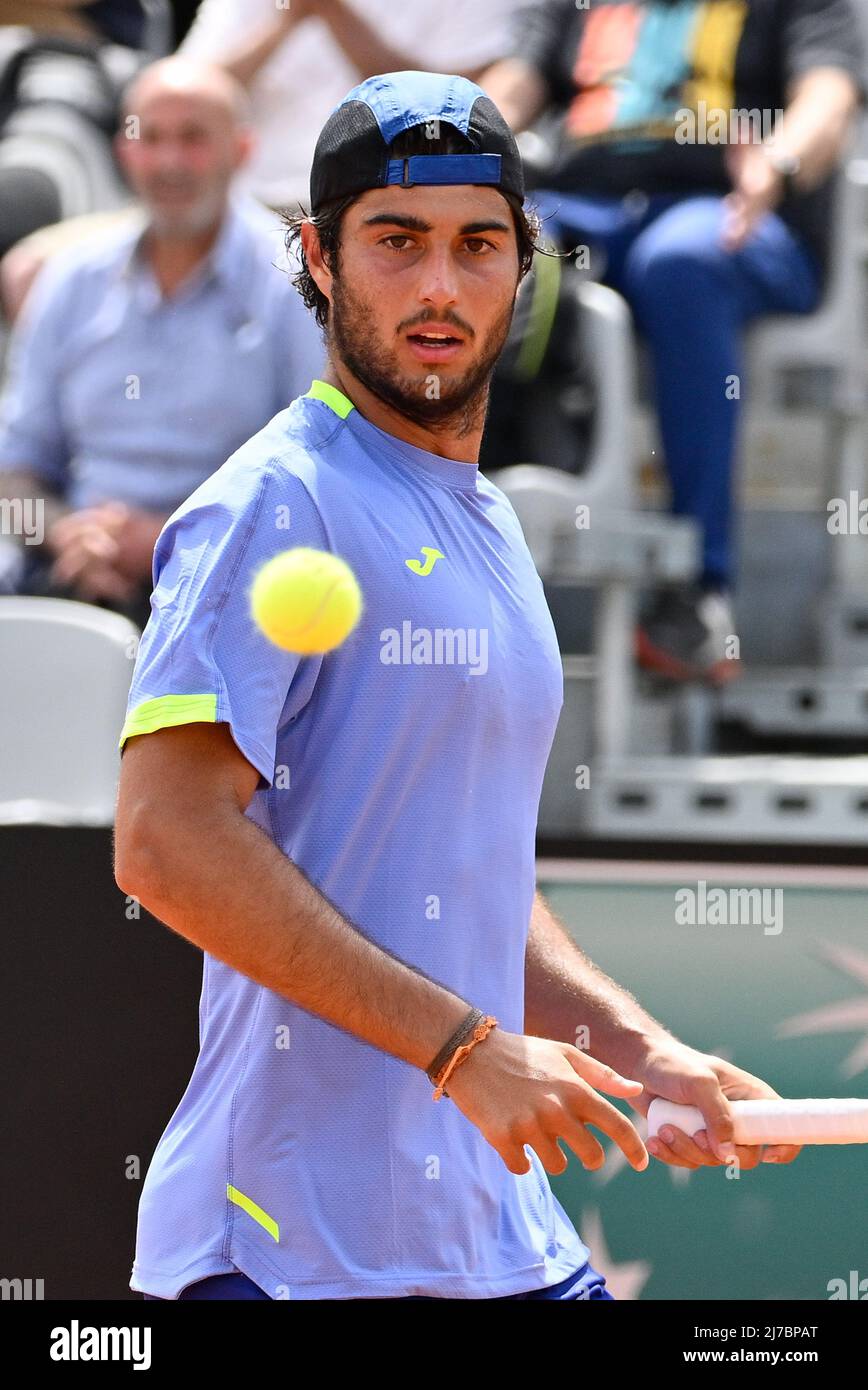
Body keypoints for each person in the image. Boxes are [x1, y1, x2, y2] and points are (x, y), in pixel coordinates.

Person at [114, 71, 800, 1303]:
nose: (438, 286)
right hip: (288, 1253)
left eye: (478, 244)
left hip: (499, 1243)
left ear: (522, 267)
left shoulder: (487, 521)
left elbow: (464, 878)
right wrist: (464, 1049)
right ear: (318, 258)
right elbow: (164, 841)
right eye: (395, 241)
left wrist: (638, 1050)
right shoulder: (272, 501)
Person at [482, 0, 866, 683]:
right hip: (585, 208)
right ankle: (460, 537)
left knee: (680, 266)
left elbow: (828, 96)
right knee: (499, 254)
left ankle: (696, 591)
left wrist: (775, 163)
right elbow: (516, 83)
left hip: (730, 215)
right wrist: (464, 155)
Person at [0, 56, 323, 628]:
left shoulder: (292, 286)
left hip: (235, 582)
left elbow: (319, 478)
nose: (170, 161)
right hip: (72, 569)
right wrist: (67, 534)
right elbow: (16, 469)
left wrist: (170, 536)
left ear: (241, 150)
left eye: (194, 138)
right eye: (150, 138)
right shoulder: (70, 279)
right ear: (125, 152)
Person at [179, 0, 531, 212]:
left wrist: (336, 14)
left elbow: (451, 116)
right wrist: (286, 21)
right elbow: (186, 99)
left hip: (384, 209)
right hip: (239, 205)